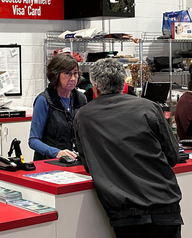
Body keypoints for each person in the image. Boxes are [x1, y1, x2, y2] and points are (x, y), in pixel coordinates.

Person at [74, 58, 182, 238]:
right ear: (124, 82)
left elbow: (88, 164)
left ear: (95, 85)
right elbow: (173, 155)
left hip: (124, 210)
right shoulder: (148, 107)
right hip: (164, 202)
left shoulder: (83, 115)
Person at [28, 53, 87, 160]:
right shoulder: (44, 100)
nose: (73, 78)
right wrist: (57, 152)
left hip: (74, 160)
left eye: (76, 73)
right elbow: (33, 140)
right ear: (56, 75)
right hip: (49, 161)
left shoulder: (81, 99)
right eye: (67, 74)